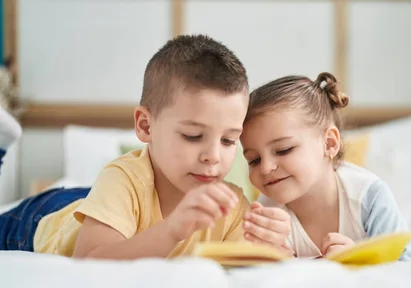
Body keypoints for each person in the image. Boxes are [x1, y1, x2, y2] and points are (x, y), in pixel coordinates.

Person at [0, 34, 291, 258]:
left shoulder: (232, 206)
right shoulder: (123, 178)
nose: (213, 157)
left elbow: (242, 268)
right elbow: (89, 262)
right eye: (192, 136)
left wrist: (271, 245)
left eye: (228, 140)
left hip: (102, 205)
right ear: (145, 126)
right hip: (40, 220)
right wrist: (172, 230)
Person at [240, 72, 411, 260]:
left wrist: (360, 259)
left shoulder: (369, 197)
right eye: (254, 160)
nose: (265, 168)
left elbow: (404, 267)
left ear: (329, 143)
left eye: (283, 150)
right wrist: (274, 259)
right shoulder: (266, 217)